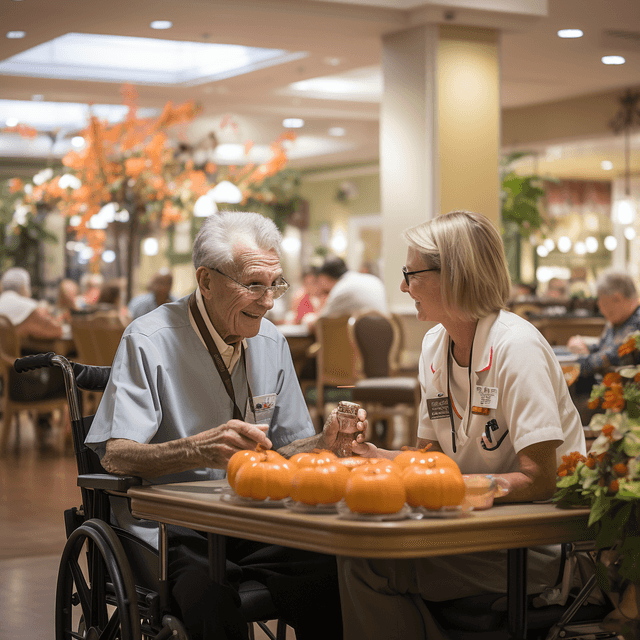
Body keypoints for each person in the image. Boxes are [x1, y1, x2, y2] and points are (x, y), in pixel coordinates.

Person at [85, 211, 367, 640]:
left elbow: (284, 452)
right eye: (254, 284)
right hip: (169, 528)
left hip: (248, 517)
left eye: (275, 284)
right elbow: (116, 454)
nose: (269, 300)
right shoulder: (148, 340)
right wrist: (194, 450)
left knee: (331, 570)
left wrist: (322, 442)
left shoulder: (272, 342)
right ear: (206, 281)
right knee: (210, 597)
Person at [338, 210, 586, 640]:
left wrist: (458, 492)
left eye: (410, 274)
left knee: (370, 563)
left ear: (453, 276)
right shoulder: (436, 345)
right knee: (353, 550)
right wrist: (378, 457)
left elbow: (542, 479)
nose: (402, 287)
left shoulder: (517, 348)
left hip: (531, 545)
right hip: (467, 531)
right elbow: (430, 458)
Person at [567, 269, 640, 422]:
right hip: (609, 392)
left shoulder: (637, 321)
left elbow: (614, 356)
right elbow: (602, 349)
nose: (599, 307)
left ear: (617, 298)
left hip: (625, 401)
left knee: (568, 410)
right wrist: (585, 348)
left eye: (601, 300)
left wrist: (576, 362)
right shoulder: (619, 320)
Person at [303, 256, 388, 330]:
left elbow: (319, 323)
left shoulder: (342, 289)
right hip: (385, 339)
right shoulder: (372, 280)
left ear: (323, 277)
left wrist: (307, 319)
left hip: (362, 343)